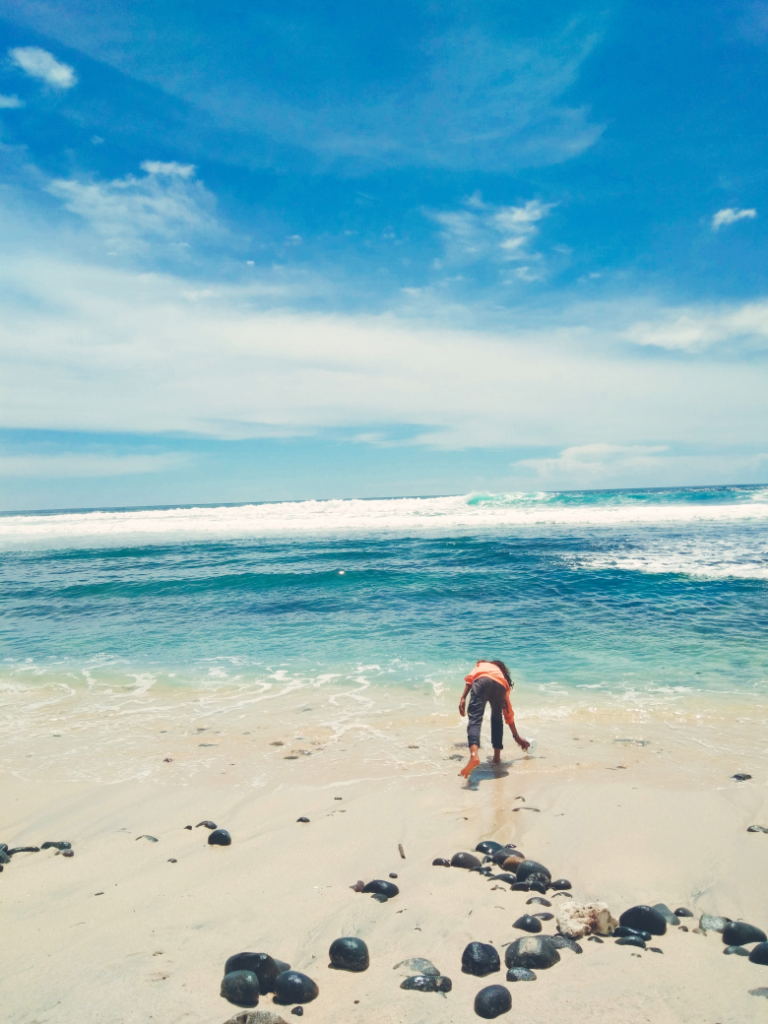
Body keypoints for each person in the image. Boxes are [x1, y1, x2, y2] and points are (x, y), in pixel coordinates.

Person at [458, 659, 529, 777]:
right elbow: (508, 713)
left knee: (475, 719)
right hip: (500, 687)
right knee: (497, 720)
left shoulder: (481, 665)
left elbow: (470, 679)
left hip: (481, 682)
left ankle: (474, 755)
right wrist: (516, 737)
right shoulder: (501, 677)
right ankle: (496, 758)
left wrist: (463, 697)